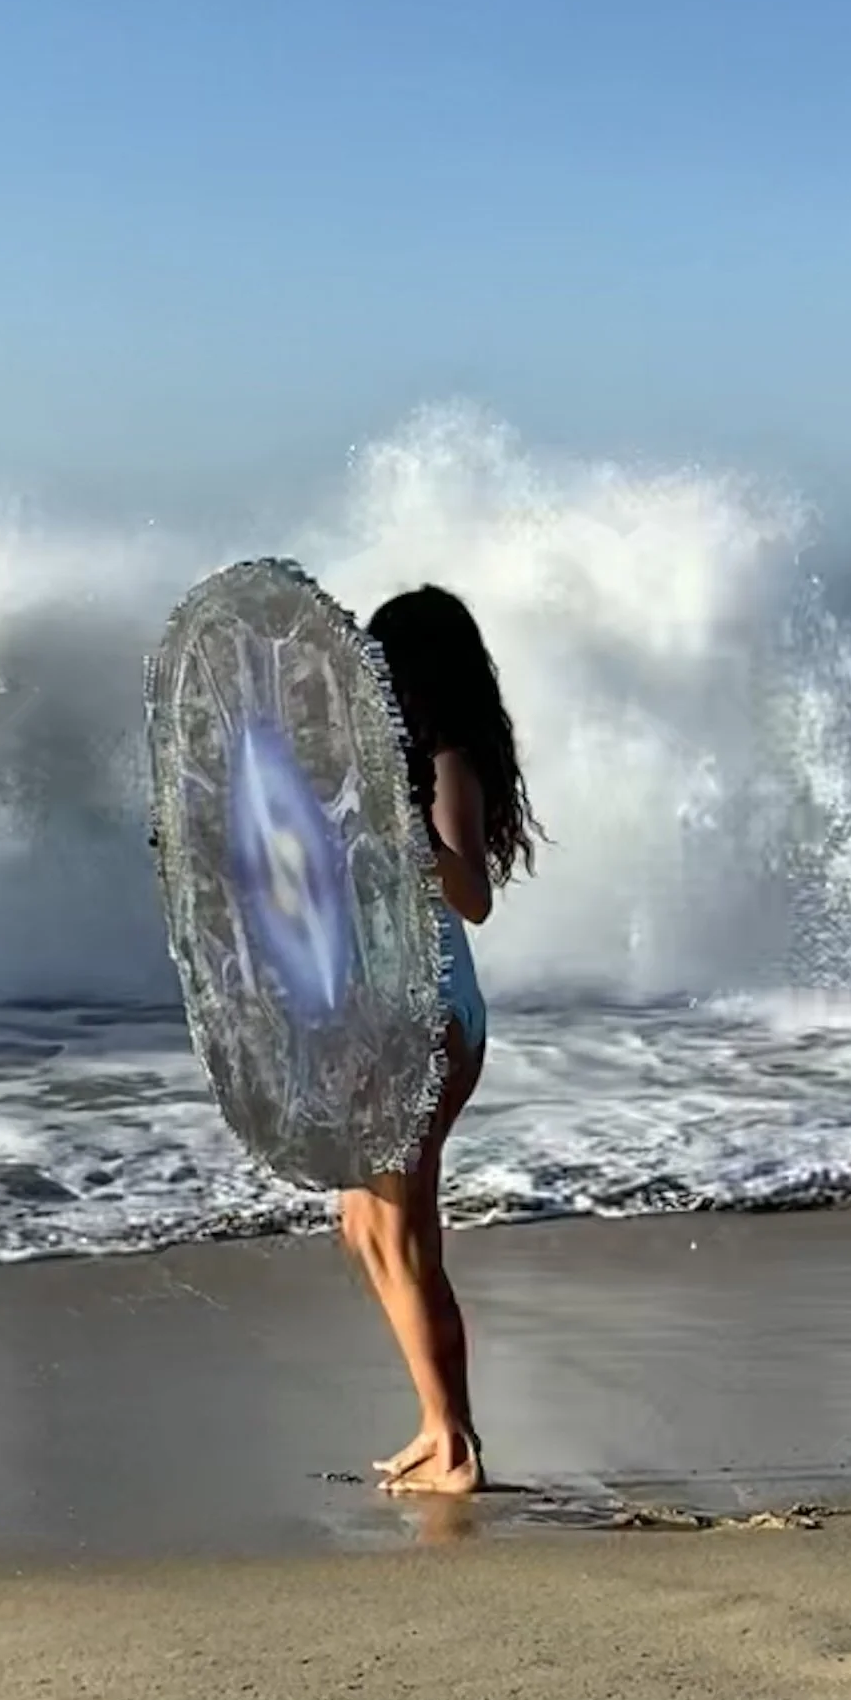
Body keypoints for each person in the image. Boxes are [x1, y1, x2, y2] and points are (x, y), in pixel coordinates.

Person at [342, 584, 540, 1496]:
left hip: (431, 1013)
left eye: (383, 663)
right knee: (362, 1224)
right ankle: (438, 1423)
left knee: (405, 1226)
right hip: (390, 1014)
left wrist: (404, 829)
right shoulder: (386, 766)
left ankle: (449, 1438)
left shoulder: (446, 763)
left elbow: (470, 894)